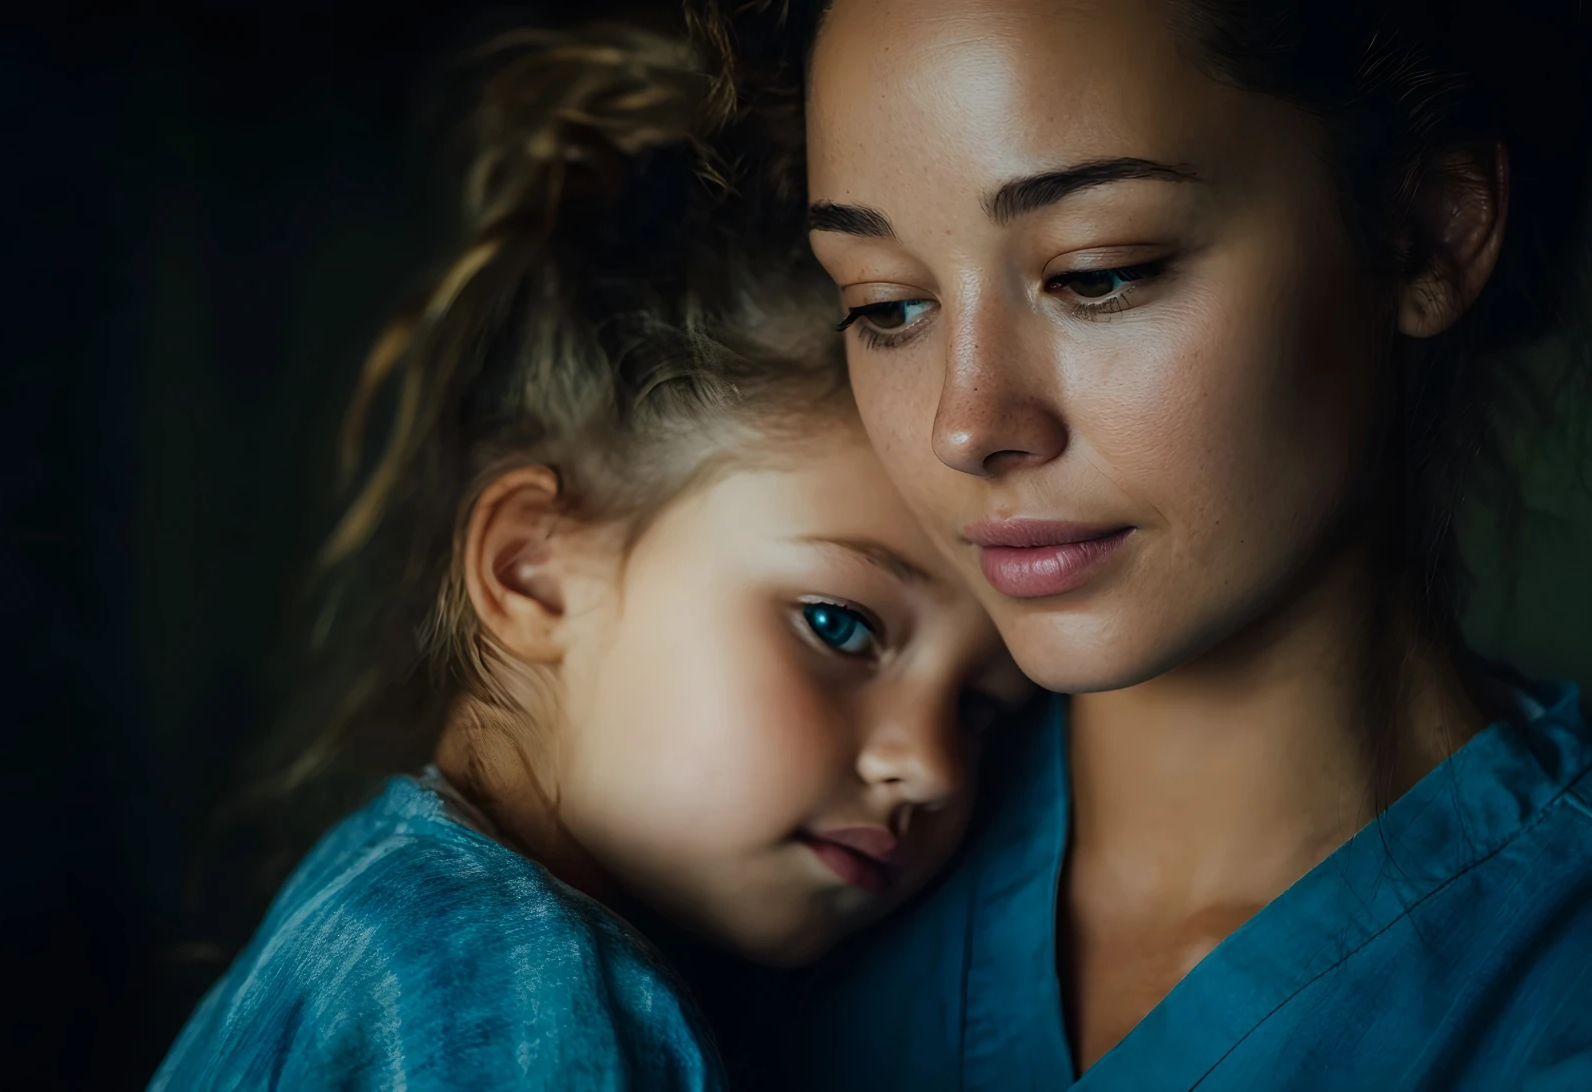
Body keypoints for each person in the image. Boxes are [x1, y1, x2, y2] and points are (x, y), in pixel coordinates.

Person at [687, 0, 1592, 1088]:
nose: (965, 425)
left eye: (1096, 274)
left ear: (1427, 235)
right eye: (887, 306)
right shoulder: (766, 847)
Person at [149, 22, 1029, 1091]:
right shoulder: (506, 986)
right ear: (532, 571)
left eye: (981, 710)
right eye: (838, 625)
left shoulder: (386, 921)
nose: (930, 768)